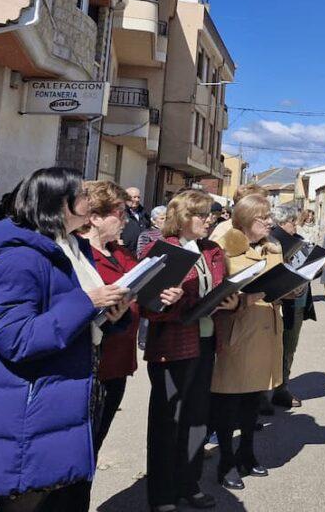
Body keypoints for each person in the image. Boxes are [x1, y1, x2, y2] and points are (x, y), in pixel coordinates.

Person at [0, 168, 130, 511]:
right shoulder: (18, 257)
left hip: (70, 393)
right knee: (31, 500)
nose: (89, 200)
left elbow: (76, 319)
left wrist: (112, 316)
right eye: (81, 194)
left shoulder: (71, 248)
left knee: (66, 497)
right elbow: (16, 337)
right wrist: (88, 301)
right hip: (32, 405)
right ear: (59, 204)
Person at [143, 189, 231, 512]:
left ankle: (189, 484)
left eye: (210, 214)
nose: (209, 219)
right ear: (181, 217)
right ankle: (163, 495)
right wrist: (177, 301)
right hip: (171, 347)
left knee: (196, 419)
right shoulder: (161, 250)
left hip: (207, 343)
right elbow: (148, 307)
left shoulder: (213, 250)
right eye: (201, 214)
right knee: (168, 422)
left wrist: (229, 302)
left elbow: (221, 289)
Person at [81, 181, 183, 455]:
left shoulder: (121, 253)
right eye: (119, 213)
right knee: (81, 450)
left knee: (95, 445)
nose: (126, 220)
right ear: (95, 217)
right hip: (90, 366)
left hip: (118, 363)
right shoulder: (79, 255)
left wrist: (165, 299)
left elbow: (144, 300)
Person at [211, 194, 283, 489]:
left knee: (253, 401)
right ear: (244, 221)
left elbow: (278, 284)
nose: (269, 222)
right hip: (238, 334)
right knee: (229, 404)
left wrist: (291, 286)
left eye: (269, 217)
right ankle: (226, 461)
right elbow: (215, 296)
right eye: (262, 218)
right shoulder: (224, 249)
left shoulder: (273, 249)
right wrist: (242, 300)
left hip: (266, 331)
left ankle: (247, 454)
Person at [271, 204, 316, 408]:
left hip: (298, 301)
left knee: (289, 347)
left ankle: (282, 387)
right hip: (281, 303)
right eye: (292, 222)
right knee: (275, 348)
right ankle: (268, 392)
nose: (295, 227)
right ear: (281, 223)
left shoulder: (298, 241)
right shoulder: (273, 242)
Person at [120, 186, 151, 255]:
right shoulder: (121, 212)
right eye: (134, 197)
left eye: (138, 197)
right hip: (126, 252)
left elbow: (148, 228)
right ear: (126, 198)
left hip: (141, 253)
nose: (137, 200)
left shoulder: (144, 213)